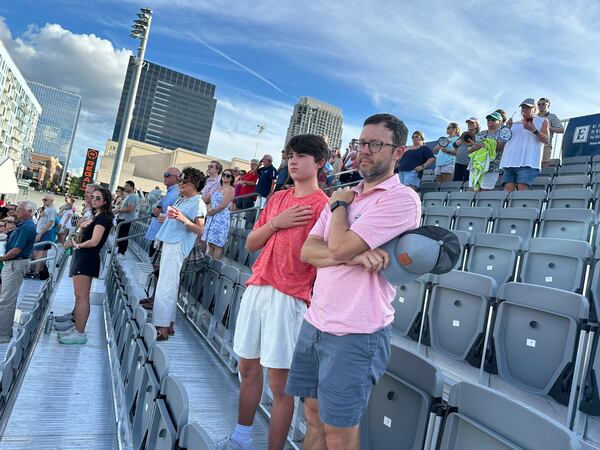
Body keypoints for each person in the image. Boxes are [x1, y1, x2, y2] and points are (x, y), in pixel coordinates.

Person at [286, 114, 420, 450]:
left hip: (357, 332)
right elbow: (307, 251)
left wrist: (340, 209)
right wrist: (357, 255)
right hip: (316, 320)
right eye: (362, 143)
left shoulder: (400, 198)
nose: (364, 151)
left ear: (398, 152)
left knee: (339, 431)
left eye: (376, 144)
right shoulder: (345, 195)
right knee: (312, 413)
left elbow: (337, 245)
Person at [217, 134, 329, 450]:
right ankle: (239, 438)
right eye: (289, 155)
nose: (293, 161)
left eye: (302, 155)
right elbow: (252, 242)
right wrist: (277, 223)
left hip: (290, 296)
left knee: (280, 386)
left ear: (319, 162)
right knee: (248, 368)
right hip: (258, 286)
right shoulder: (278, 198)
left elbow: (321, 263)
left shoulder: (324, 207)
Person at [153, 167, 206, 340]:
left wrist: (182, 219)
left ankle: (161, 328)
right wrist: (165, 218)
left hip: (177, 245)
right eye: (181, 179)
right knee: (168, 285)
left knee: (165, 287)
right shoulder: (183, 200)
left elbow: (199, 229)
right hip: (169, 242)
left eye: (185, 180)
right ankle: (167, 324)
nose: (181, 183)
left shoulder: (198, 203)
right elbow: (175, 220)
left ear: (195, 183)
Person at [58, 187, 114, 344]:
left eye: (98, 198)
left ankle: (80, 332)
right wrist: (80, 228)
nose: (94, 200)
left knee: (82, 297)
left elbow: (94, 242)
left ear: (105, 201)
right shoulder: (96, 216)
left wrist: (78, 245)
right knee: (79, 296)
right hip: (82, 257)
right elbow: (82, 235)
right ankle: (77, 327)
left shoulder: (102, 218)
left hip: (87, 258)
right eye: (93, 197)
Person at [0, 200, 37, 342]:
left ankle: (3, 334)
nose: (17, 212)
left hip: (15, 263)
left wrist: (2, 258)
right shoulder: (23, 225)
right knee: (6, 298)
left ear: (29, 212)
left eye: (20, 209)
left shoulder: (26, 227)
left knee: (6, 300)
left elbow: (17, 249)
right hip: (15, 263)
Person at [501, 98, 549, 192]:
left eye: (528, 107)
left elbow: (546, 140)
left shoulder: (542, 120)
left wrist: (534, 130)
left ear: (534, 109)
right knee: (507, 190)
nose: (524, 109)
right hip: (509, 162)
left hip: (528, 163)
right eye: (523, 107)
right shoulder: (513, 124)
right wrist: (507, 129)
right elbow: (502, 142)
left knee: (522, 189)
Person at [467, 111, 510, 191]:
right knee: (473, 192)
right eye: (488, 119)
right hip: (476, 166)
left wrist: (480, 146)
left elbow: (501, 146)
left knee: (485, 195)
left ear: (500, 122)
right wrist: (474, 148)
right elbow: (469, 150)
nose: (490, 121)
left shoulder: (503, 133)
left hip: (492, 167)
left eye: (493, 119)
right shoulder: (481, 134)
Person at [144, 167, 181, 257]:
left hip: (161, 237)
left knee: (156, 267)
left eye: (167, 175)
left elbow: (175, 216)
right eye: (164, 175)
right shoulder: (170, 192)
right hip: (158, 235)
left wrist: (159, 213)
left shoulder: (175, 193)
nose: (165, 177)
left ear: (177, 178)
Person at [203, 169, 235, 260]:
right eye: (224, 174)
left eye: (228, 175)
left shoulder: (230, 189)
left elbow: (224, 205)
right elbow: (209, 200)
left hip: (220, 219)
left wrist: (212, 212)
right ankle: (208, 263)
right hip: (212, 217)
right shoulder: (218, 187)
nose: (225, 176)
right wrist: (209, 209)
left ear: (232, 178)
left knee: (217, 244)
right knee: (210, 243)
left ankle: (214, 266)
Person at [445, 117, 480, 182]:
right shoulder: (464, 134)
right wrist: (460, 140)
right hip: (459, 163)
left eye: (472, 123)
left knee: (467, 184)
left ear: (477, 124)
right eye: (468, 123)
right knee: (456, 184)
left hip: (470, 164)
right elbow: (454, 145)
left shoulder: (480, 135)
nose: (469, 124)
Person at [33, 195, 57, 277]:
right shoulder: (46, 209)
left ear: (51, 201)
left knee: (40, 253)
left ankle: (37, 272)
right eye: (43, 199)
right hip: (41, 231)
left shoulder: (52, 210)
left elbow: (50, 223)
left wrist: (40, 234)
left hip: (44, 233)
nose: (43, 201)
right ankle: (39, 270)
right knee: (40, 252)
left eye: (45, 200)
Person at [537, 97, 564, 166]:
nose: (541, 106)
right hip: (534, 144)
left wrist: (548, 128)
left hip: (546, 145)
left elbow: (561, 129)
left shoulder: (552, 116)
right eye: (539, 104)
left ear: (548, 105)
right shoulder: (534, 117)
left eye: (543, 104)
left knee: (544, 165)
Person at [114, 180, 138, 255]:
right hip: (123, 218)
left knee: (123, 235)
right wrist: (118, 209)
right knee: (121, 235)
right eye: (125, 185)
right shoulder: (129, 196)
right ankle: (120, 251)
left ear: (132, 187)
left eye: (127, 185)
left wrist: (119, 210)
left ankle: (122, 252)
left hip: (125, 219)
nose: (125, 187)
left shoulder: (132, 196)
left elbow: (130, 208)